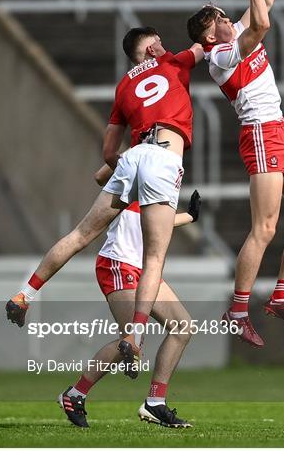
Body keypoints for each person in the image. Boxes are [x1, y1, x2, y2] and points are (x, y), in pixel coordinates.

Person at [6, 28, 204, 368]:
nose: (163, 45)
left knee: (81, 234)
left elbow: (109, 152)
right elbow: (209, 45)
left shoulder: (124, 85)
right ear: (153, 47)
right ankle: (135, 335)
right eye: (157, 41)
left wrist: (128, 169)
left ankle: (25, 294)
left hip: (134, 156)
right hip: (163, 157)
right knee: (154, 258)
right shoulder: (171, 61)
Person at [186, 0, 284, 348]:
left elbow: (267, 0)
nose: (230, 20)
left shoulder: (235, 35)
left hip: (280, 130)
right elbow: (262, 24)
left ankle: (281, 297)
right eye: (222, 19)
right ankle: (238, 310)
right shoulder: (222, 54)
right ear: (211, 34)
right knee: (264, 228)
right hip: (261, 134)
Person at [58, 184, 201, 430]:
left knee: (183, 326)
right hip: (119, 263)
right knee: (132, 339)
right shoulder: (137, 163)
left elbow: (153, 220)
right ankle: (75, 394)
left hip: (144, 268)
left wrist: (189, 216)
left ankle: (155, 402)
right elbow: (104, 173)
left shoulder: (160, 170)